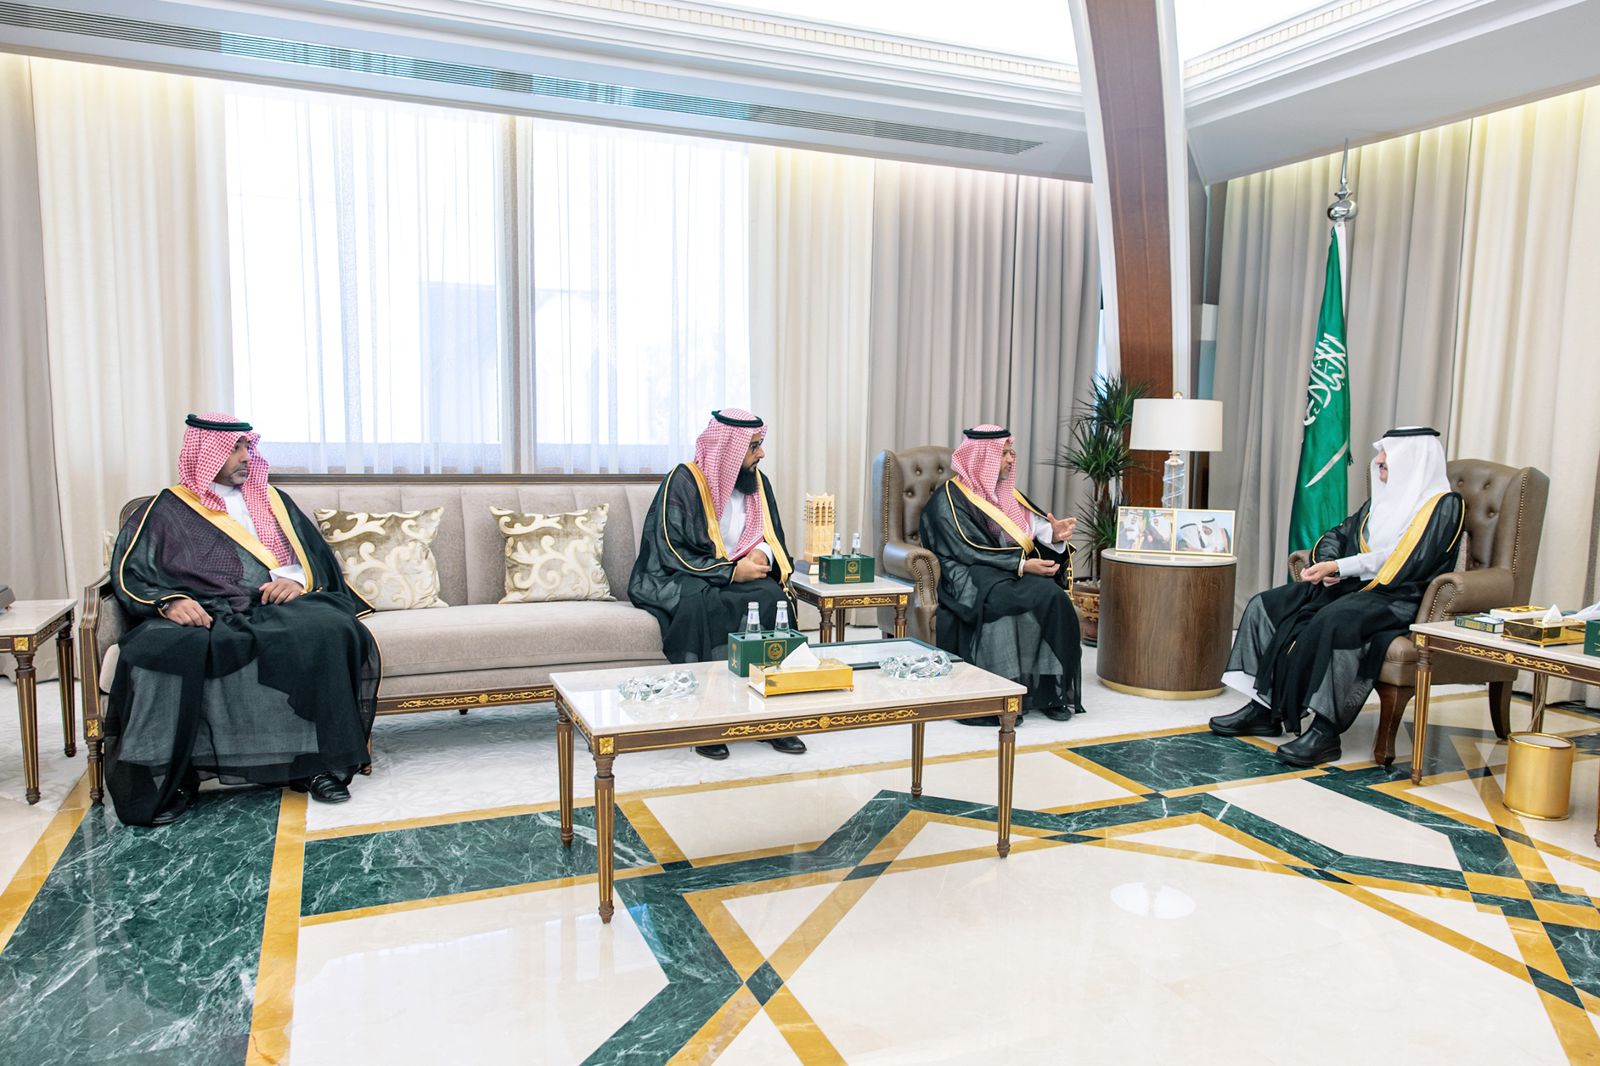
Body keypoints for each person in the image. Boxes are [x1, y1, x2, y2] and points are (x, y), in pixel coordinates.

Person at [106, 414, 381, 826]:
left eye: (247, 447)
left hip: (274, 605)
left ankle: (316, 764)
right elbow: (133, 571)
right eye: (234, 449)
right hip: (203, 608)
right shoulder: (166, 508)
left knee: (330, 629)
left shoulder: (273, 500)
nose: (245, 457)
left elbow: (314, 558)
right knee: (158, 648)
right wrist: (168, 602)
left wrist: (295, 581)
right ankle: (175, 777)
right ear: (205, 452)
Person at [1209, 427, 1464, 766]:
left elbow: (1402, 558)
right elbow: (1340, 533)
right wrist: (1327, 563)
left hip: (1398, 597)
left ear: (1412, 461)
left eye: (1387, 457)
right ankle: (1263, 708)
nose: (1378, 462)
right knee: (1264, 605)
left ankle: (1325, 732)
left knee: (1335, 622)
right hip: (1352, 587)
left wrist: (1341, 566)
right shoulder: (1381, 501)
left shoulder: (1445, 506)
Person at [629, 408, 804, 760]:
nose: (761, 454)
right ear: (728, 448)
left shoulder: (758, 483)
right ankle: (706, 721)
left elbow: (772, 536)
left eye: (760, 444)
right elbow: (671, 548)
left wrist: (762, 555)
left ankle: (774, 718)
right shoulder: (683, 480)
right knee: (701, 603)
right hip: (684, 574)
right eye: (753, 446)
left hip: (738, 572)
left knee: (774, 598)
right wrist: (730, 573)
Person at [919, 425, 1082, 725]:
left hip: (1006, 569)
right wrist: (1021, 565)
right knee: (1002, 604)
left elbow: (1031, 529)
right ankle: (998, 698)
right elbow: (965, 549)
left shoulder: (1006, 494)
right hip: (967, 574)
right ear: (983, 457)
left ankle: (1050, 692)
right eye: (1003, 453)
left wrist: (1055, 534)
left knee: (1052, 597)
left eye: (1010, 452)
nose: (1010, 459)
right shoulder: (948, 499)